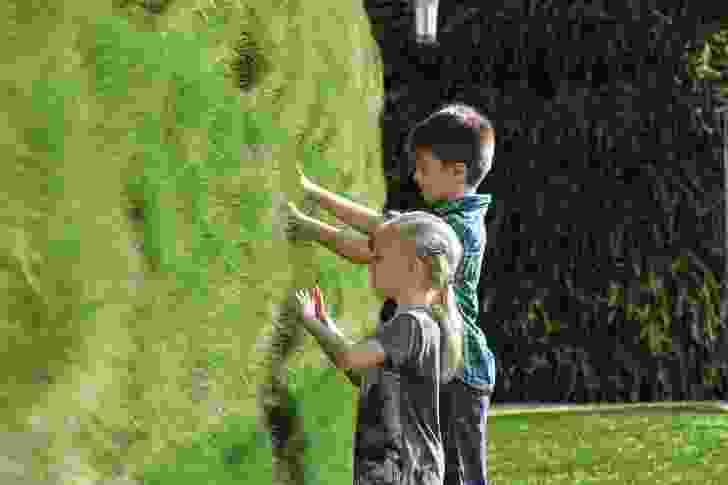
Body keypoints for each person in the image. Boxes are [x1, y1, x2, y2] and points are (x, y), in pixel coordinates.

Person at [285, 102, 496, 485]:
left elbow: (373, 243)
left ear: (458, 172)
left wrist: (307, 225)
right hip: (445, 360)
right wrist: (313, 196)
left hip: (461, 377)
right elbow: (381, 231)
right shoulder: (443, 221)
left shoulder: (453, 233)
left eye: (425, 169)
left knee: (460, 477)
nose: (416, 177)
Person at [293, 211, 464, 485]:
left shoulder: (411, 325)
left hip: (403, 469)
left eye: (380, 258)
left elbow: (349, 358)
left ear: (415, 268)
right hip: (397, 465)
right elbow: (365, 377)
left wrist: (312, 322)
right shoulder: (413, 324)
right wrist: (327, 326)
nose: (371, 264)